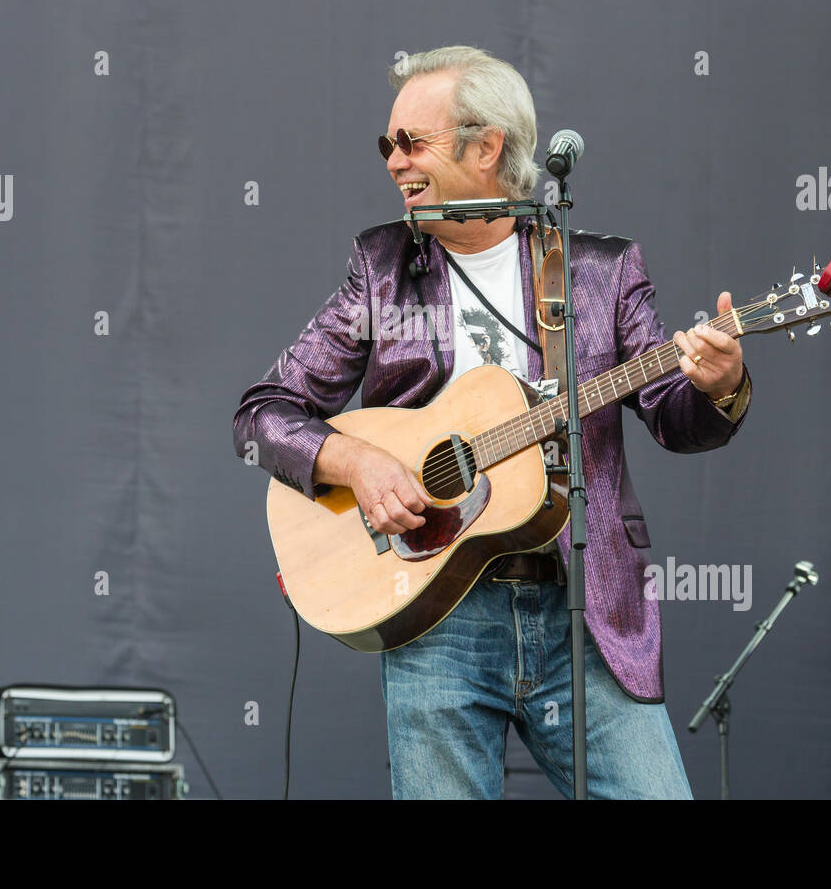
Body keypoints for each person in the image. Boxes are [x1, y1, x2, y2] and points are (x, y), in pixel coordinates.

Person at [233, 46, 751, 798]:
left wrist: (721, 383)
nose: (393, 161)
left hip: (585, 609)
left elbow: (677, 418)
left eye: (411, 142)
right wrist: (359, 464)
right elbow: (261, 416)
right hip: (436, 609)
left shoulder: (600, 272)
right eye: (388, 145)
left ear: (486, 147)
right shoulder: (382, 270)